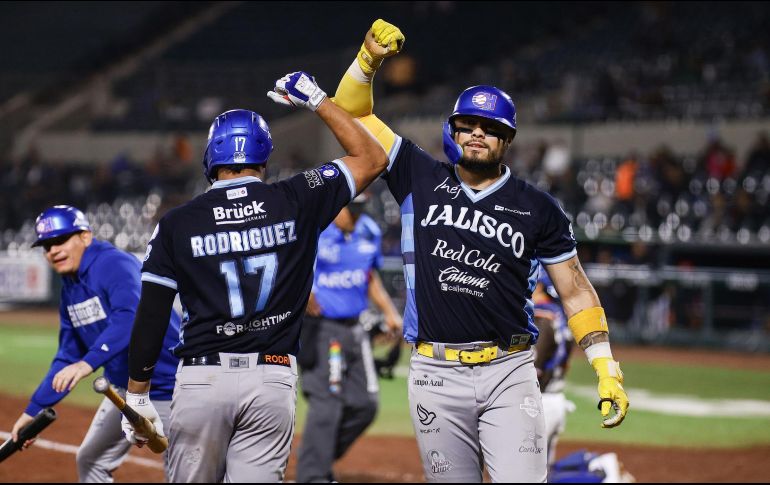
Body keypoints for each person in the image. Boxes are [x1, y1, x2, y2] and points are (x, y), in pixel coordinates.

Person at [332, 19, 630, 482]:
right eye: (466, 125)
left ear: (507, 139)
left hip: (509, 371)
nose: (475, 134)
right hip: (434, 372)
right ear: (452, 130)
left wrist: (606, 366)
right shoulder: (417, 174)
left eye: (488, 128)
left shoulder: (538, 208)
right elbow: (350, 112)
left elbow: (575, 291)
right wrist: (368, 60)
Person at [121, 72, 388, 482]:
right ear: (264, 156)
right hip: (272, 378)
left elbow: (152, 314)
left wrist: (137, 393)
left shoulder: (177, 224)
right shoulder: (299, 197)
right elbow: (372, 157)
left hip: (202, 376)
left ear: (211, 156)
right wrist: (316, 98)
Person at [10, 205, 180, 482]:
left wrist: (86, 364)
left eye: (60, 240)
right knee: (91, 460)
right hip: (123, 392)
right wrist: (32, 412)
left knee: (186, 474)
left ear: (85, 237)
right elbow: (68, 355)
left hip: (170, 388)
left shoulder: (113, 264)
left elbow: (130, 317)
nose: (53, 250)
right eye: (46, 245)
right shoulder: (70, 288)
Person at [296, 192, 403, 483]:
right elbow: (293, 271)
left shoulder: (368, 230)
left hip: (356, 329)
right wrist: (304, 295)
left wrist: (390, 312)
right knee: (327, 404)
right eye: (349, 211)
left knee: (365, 404)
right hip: (322, 330)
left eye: (359, 210)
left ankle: (318, 459)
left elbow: (369, 277)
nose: (355, 216)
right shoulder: (315, 232)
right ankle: (313, 476)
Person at [532, 270, 575, 465]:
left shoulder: (541, 316)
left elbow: (533, 366)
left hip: (539, 403)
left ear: (539, 286)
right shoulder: (560, 315)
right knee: (542, 473)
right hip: (556, 398)